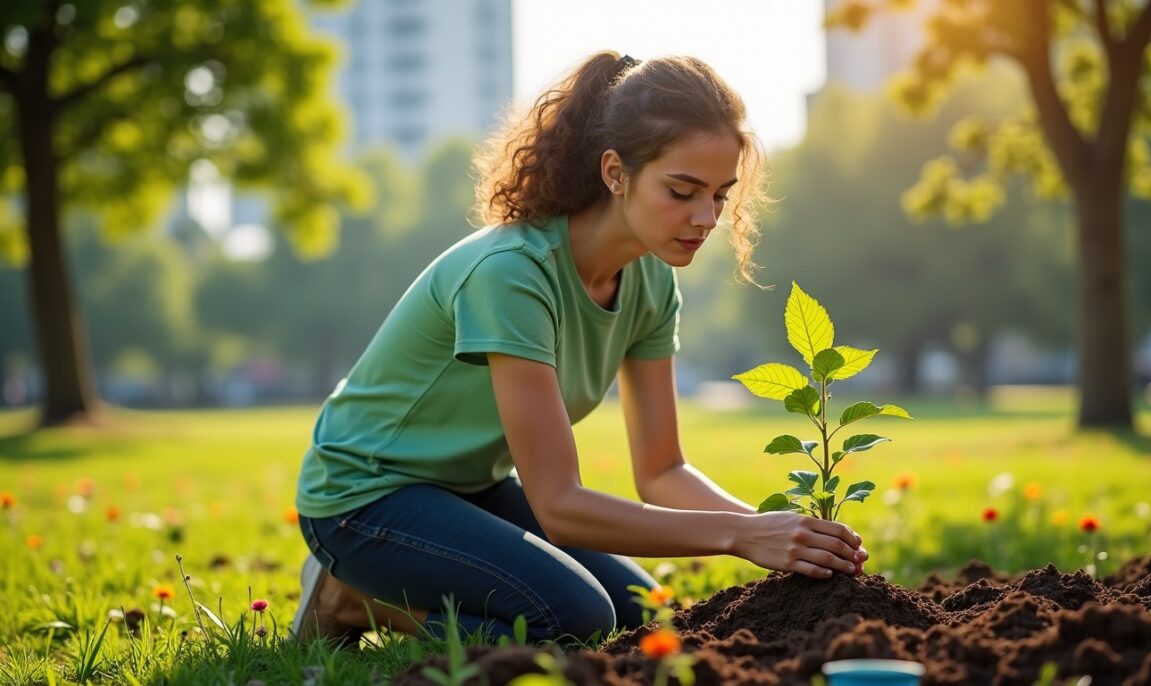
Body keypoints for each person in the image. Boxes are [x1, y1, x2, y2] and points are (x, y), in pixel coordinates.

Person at [290, 50, 868, 647]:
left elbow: (662, 470)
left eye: (720, 195)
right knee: (574, 622)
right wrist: (738, 536)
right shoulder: (511, 274)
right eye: (682, 190)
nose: (705, 217)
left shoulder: (651, 280)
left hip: (466, 488)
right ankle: (351, 603)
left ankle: (370, 598)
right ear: (616, 173)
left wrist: (781, 532)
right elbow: (560, 504)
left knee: (642, 613)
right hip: (364, 497)